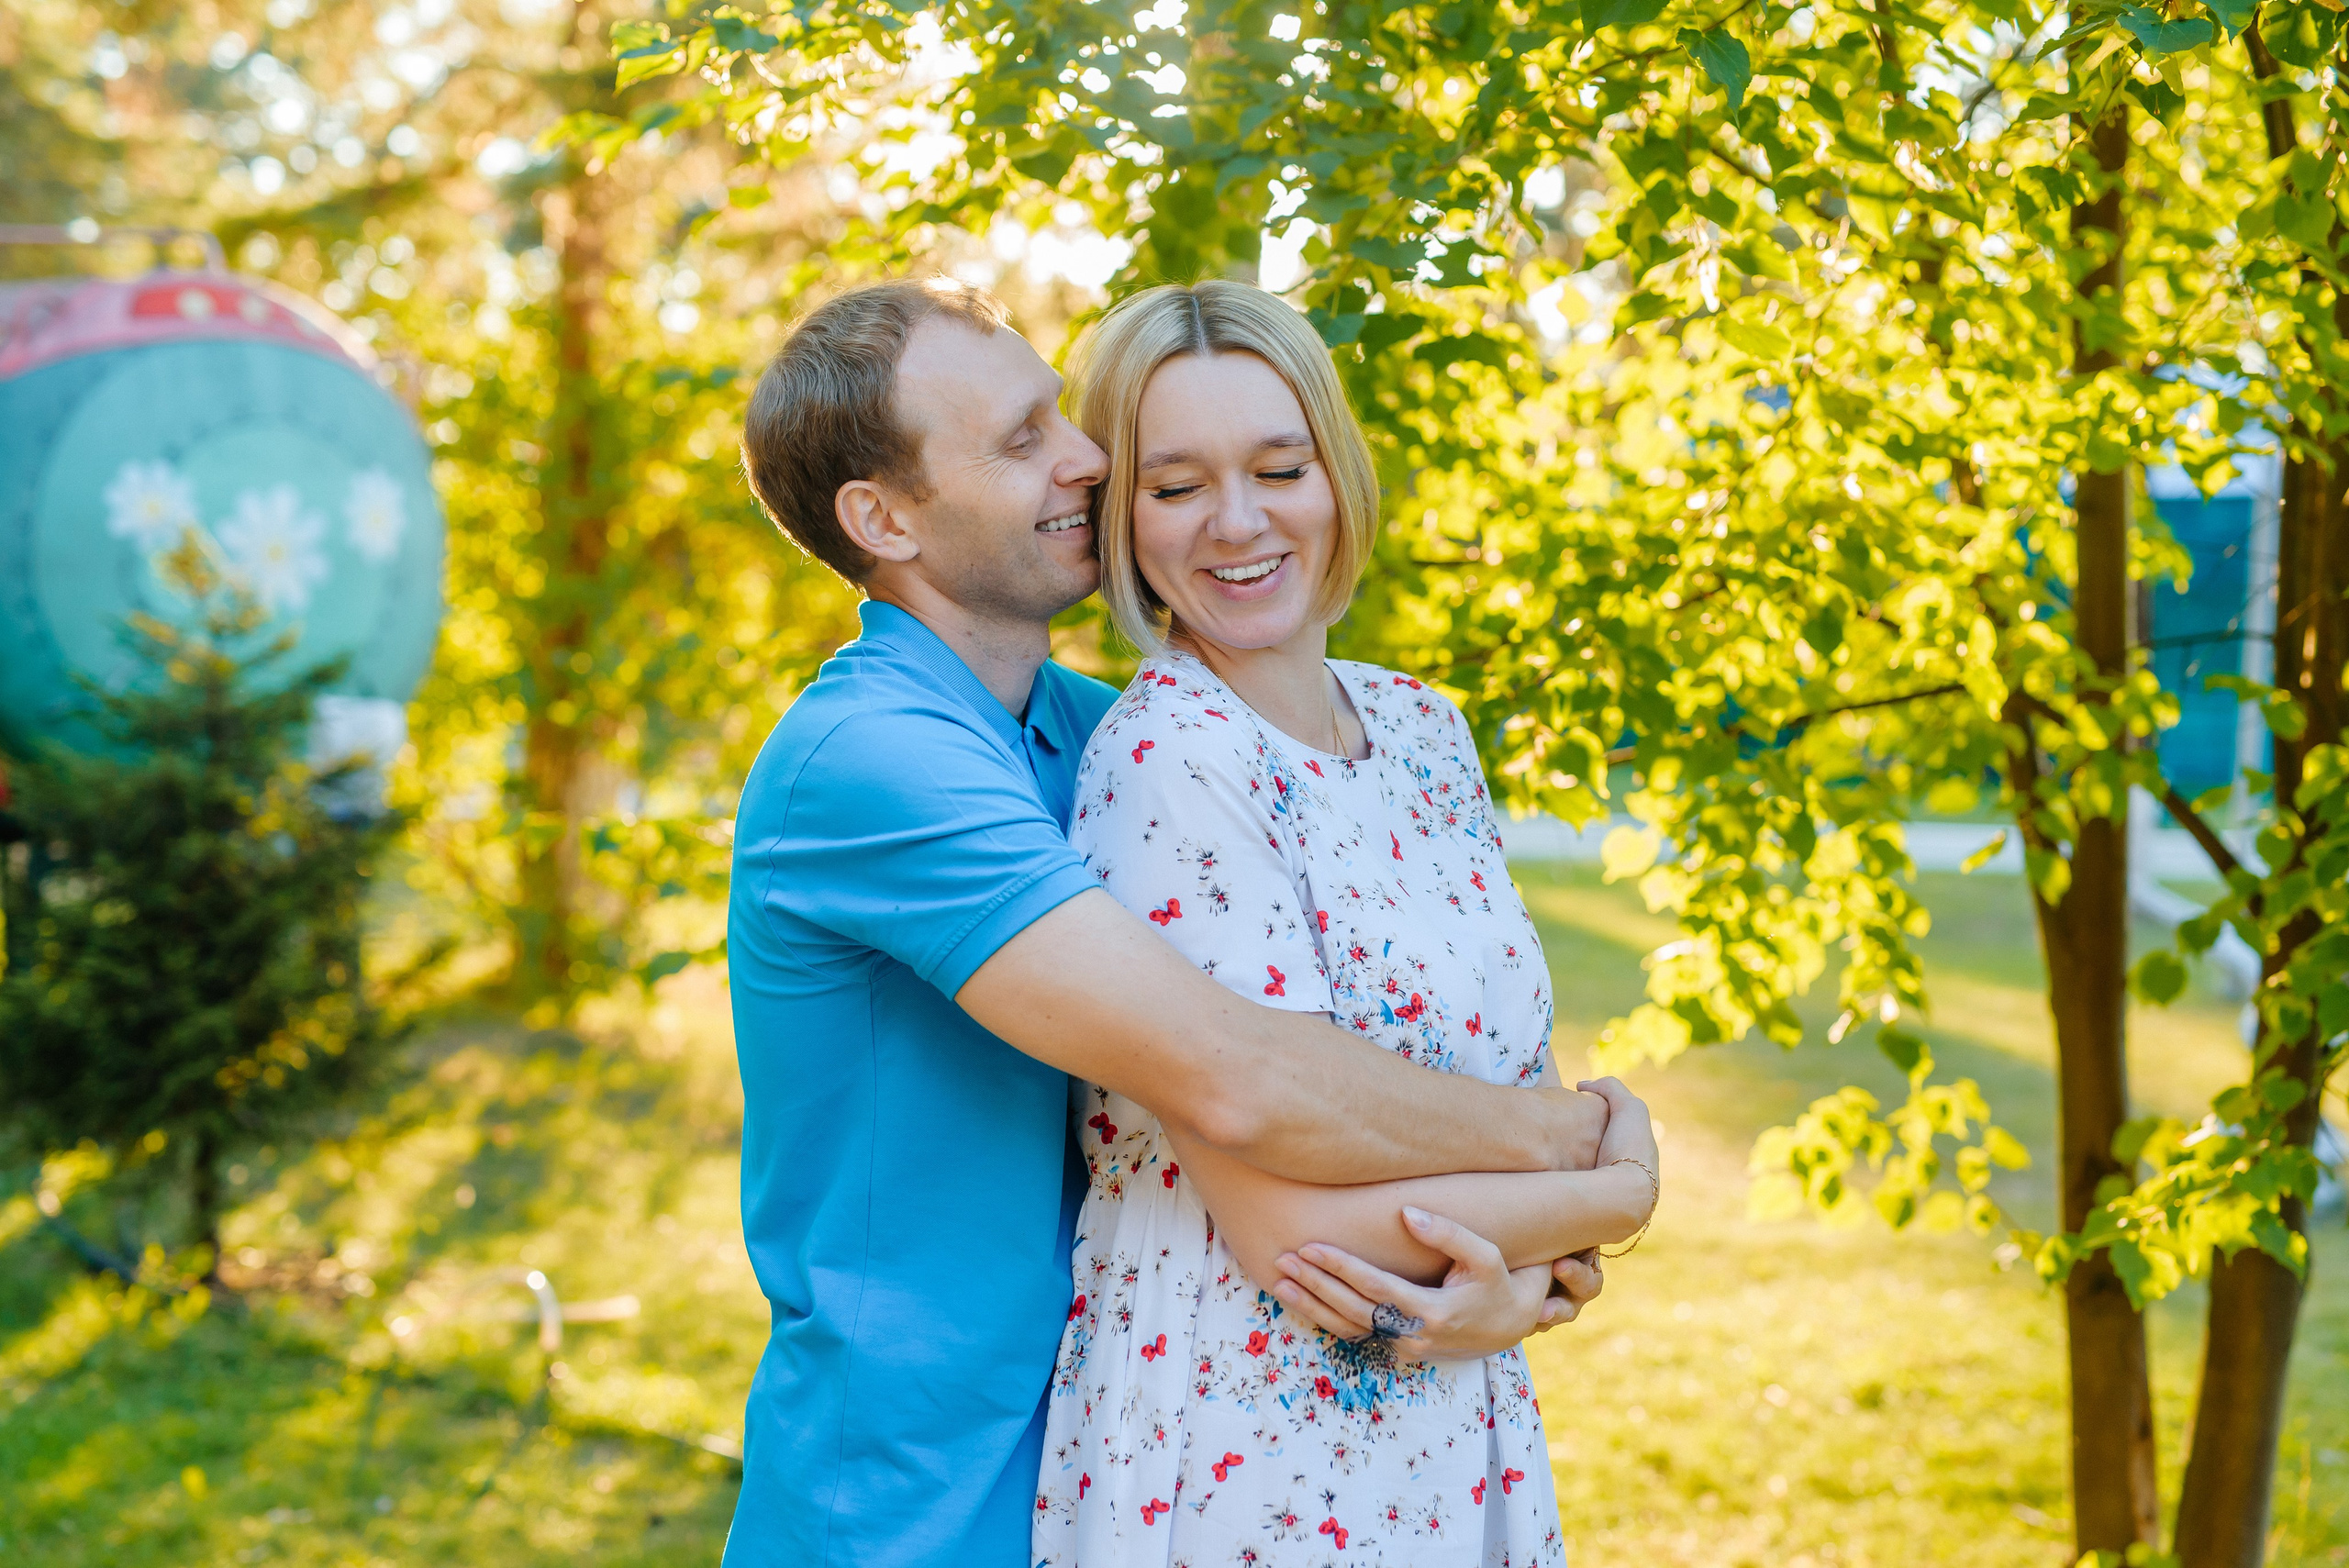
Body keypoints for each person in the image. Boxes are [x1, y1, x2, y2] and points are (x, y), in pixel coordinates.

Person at [724, 278, 1637, 1568]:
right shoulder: (871, 760)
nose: (1085, 457)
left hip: (1092, 1443)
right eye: (1023, 436)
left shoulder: (1082, 726)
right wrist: (1584, 1149)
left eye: (1064, 415)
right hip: (908, 1503)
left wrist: (1525, 1267)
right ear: (883, 518)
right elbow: (1244, 1072)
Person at [1030, 281, 1658, 1566]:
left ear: (1338, 471)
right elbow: (1296, 1234)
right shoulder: (1167, 763)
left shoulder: (1425, 725)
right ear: (1124, 520)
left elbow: (1509, 1086)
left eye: (1278, 466)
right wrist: (1621, 1189)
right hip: (1242, 1444)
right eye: (1177, 486)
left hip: (1451, 1410)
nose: (1241, 522)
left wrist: (1520, 1286)